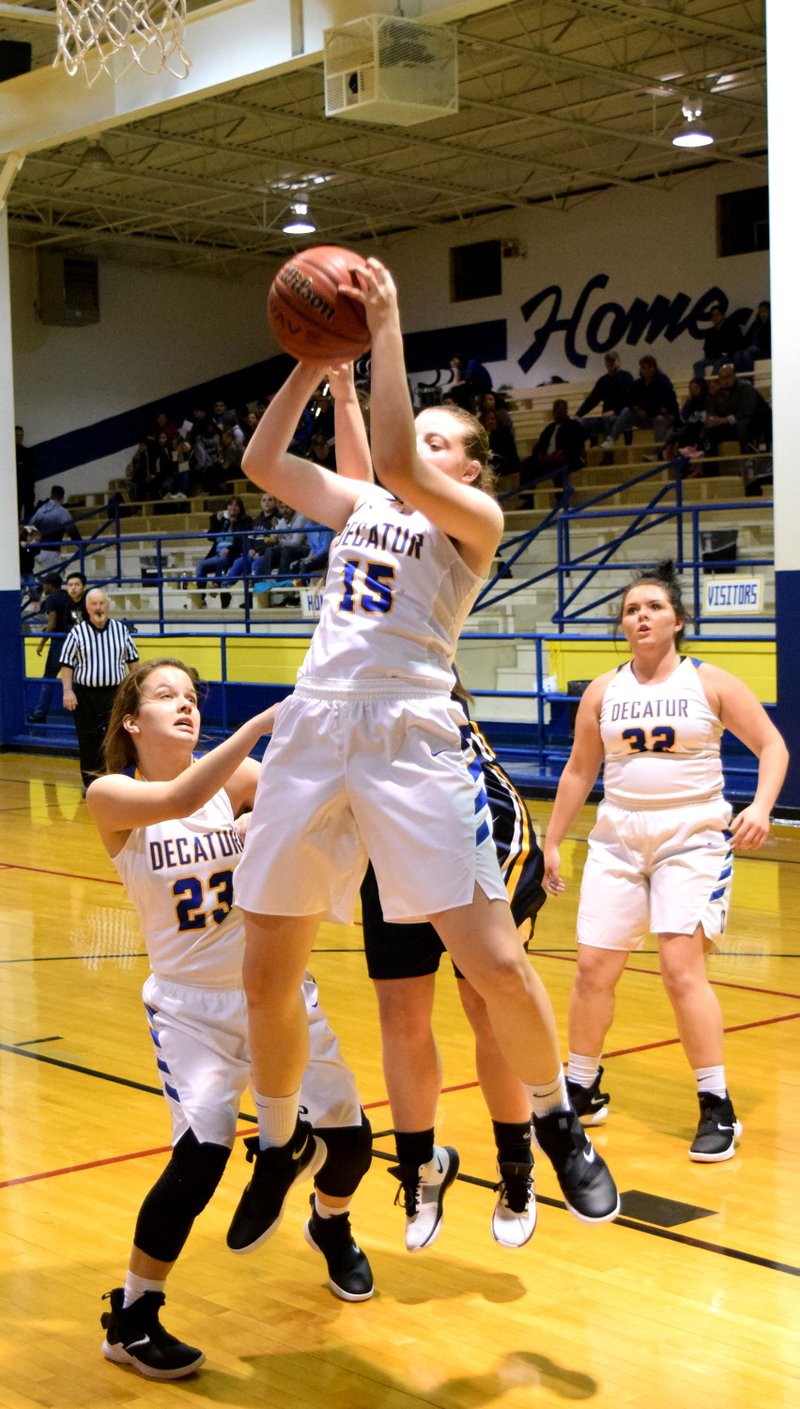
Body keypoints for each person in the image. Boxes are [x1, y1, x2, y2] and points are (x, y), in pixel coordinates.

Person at [227, 256, 619, 1261]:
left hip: (410, 731)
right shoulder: (363, 509)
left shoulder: (471, 522)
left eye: (448, 440)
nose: (425, 448)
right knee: (264, 962)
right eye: (423, 433)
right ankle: (276, 1138)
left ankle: (552, 1117)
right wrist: (316, 364)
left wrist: (386, 325)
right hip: (316, 726)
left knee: (491, 957)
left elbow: (394, 457)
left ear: (471, 468)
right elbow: (265, 464)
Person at [87, 660, 374, 1380]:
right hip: (192, 1008)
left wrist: (261, 815)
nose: (184, 706)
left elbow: (303, 800)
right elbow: (185, 793)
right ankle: (132, 1316)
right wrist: (257, 724)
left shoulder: (239, 782)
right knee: (201, 1156)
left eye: (191, 697)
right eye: (166, 697)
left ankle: (329, 1222)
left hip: (274, 991)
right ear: (131, 720)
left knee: (353, 1145)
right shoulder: (112, 794)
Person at [542, 561, 788, 1162]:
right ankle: (582, 1086)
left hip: (694, 834)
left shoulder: (711, 683)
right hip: (619, 837)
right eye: (631, 609)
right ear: (622, 626)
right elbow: (579, 770)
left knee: (682, 971)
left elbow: (772, 745)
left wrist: (760, 807)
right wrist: (552, 840)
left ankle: (716, 1105)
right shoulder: (603, 691)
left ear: (677, 620)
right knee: (593, 968)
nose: (641, 616)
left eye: (653, 607)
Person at [361, 701, 547, 1251]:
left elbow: (497, 795)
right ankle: (421, 1167)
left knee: (490, 1009)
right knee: (400, 1017)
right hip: (391, 856)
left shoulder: (433, 694)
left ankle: (517, 1166)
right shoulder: (341, 696)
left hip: (476, 847)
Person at [58, 588, 139, 791]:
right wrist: (68, 691)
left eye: (101, 603)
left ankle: (122, 780)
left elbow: (133, 663)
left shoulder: (121, 630)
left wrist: (135, 690)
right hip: (86, 694)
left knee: (120, 737)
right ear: (87, 608)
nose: (98, 608)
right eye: (94, 604)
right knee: (88, 740)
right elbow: (66, 665)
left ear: (108, 606)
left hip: (116, 693)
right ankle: (92, 785)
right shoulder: (77, 633)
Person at [601, 356, 678, 455]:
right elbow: (628, 399)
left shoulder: (663, 381)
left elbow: (661, 404)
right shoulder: (639, 384)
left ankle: (659, 454)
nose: (644, 370)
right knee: (626, 412)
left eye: (647, 367)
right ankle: (611, 439)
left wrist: (648, 410)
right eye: (642, 368)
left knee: (658, 420)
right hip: (647, 416)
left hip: (665, 417)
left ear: (653, 368)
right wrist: (636, 408)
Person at [519, 398, 586, 507]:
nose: (559, 412)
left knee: (559, 464)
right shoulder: (549, 428)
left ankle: (561, 499)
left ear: (566, 410)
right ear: (553, 412)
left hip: (567, 458)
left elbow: (576, 445)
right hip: (547, 459)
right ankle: (528, 499)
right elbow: (539, 446)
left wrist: (559, 453)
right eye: (556, 409)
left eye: (561, 409)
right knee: (527, 464)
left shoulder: (574, 426)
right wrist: (540, 455)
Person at [28, 573, 74, 722]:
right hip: (73, 640)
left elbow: (53, 624)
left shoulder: (51, 600)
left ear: (50, 585)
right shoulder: (68, 597)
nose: (43, 587)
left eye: (45, 584)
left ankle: (40, 714)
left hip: (59, 642)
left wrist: (41, 643)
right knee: (77, 679)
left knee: (48, 678)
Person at [576, 352, 634, 446]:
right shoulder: (603, 381)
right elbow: (592, 399)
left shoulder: (627, 377)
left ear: (619, 361)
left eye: (613, 361)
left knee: (609, 419)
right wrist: (578, 414)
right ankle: (589, 446)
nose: (610, 364)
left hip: (622, 416)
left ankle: (608, 457)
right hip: (606, 416)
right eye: (608, 361)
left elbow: (627, 398)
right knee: (580, 422)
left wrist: (614, 411)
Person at [29, 485, 81, 574]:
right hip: (51, 551)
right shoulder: (62, 512)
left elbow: (29, 527)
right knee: (57, 577)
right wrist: (81, 545)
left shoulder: (41, 510)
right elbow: (72, 531)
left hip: (37, 551)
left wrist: (37, 539)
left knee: (45, 577)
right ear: (62, 497)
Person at [693, 303, 745, 378]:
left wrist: (724, 353)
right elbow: (707, 349)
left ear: (722, 315)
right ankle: (702, 385)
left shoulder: (733, 327)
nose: (715, 318)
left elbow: (737, 345)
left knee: (719, 362)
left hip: (730, 356)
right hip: (713, 357)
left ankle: (714, 384)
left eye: (717, 315)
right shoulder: (711, 332)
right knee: (697, 365)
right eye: (713, 316)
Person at [16, 425, 37, 524]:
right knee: (16, 515)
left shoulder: (27, 452)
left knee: (29, 516)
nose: (19, 437)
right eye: (17, 435)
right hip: (15, 491)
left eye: (21, 435)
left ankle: (30, 538)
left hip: (28, 489)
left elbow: (34, 466)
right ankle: (17, 538)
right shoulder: (8, 453)